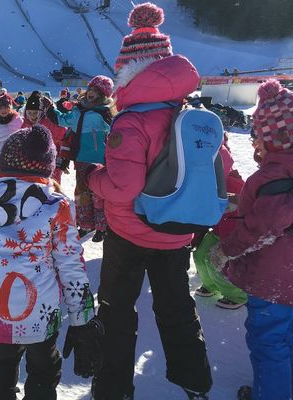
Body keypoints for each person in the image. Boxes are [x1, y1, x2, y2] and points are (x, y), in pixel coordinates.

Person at [86, 3, 212, 399]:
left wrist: (93, 179)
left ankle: (113, 387)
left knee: (117, 310)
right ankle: (195, 381)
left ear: (129, 71)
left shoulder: (131, 121)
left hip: (129, 232)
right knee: (176, 308)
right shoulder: (190, 114)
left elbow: (123, 187)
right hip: (176, 232)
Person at [0, 125, 103, 400]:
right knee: (44, 369)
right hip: (41, 312)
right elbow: (71, 265)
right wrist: (82, 319)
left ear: (4, 162)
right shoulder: (57, 207)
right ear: (47, 167)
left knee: (0, 364)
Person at [209, 79, 293, 400]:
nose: (255, 142)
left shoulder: (272, 176)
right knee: (288, 338)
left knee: (269, 342)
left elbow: (265, 225)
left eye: (259, 135)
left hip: (273, 281)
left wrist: (225, 250)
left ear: (273, 136)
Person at [46, 76, 114, 242]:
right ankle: (85, 224)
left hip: (98, 160)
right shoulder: (78, 111)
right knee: (82, 193)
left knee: (98, 194)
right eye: (91, 89)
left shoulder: (103, 113)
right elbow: (62, 119)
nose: (92, 93)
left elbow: (116, 128)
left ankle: (101, 226)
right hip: (81, 159)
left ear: (103, 96)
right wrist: (51, 109)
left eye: (98, 92)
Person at [193, 134, 248, 309]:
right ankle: (210, 285)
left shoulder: (234, 184)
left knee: (216, 260)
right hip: (217, 230)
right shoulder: (204, 183)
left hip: (232, 233)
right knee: (200, 255)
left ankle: (236, 295)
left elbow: (242, 213)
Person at [21, 92, 67, 183]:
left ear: (41, 112)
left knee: (52, 184)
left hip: (52, 160)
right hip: (33, 162)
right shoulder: (25, 124)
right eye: (29, 113)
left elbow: (64, 137)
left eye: (35, 113)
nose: (32, 116)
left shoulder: (49, 123)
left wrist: (63, 157)